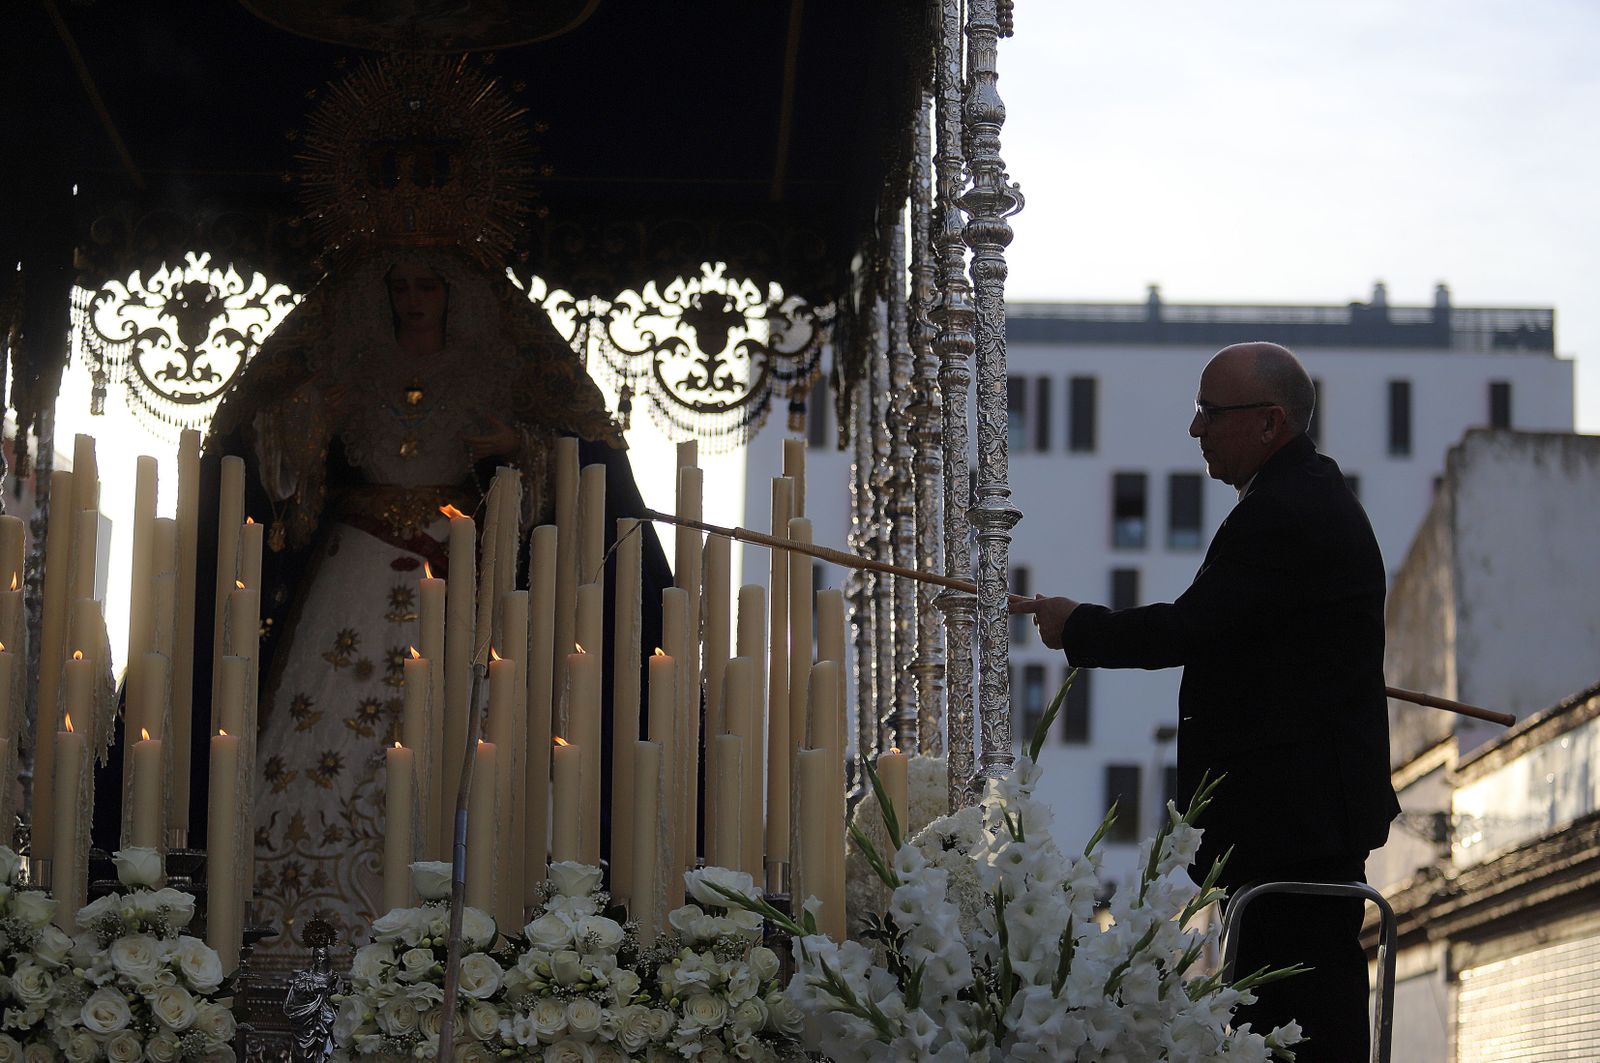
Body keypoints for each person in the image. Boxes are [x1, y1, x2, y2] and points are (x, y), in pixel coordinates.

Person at [191, 247, 669, 973]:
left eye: (427, 287)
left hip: (459, 564)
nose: (413, 300)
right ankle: (306, 916)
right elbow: (276, 461)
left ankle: (467, 923)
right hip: (351, 573)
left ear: (456, 296)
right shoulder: (351, 368)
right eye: (400, 286)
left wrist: (519, 446)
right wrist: (307, 415)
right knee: (323, 725)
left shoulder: (499, 369)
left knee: (469, 724)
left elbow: (574, 458)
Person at [1011, 341, 1400, 1060]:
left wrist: (1080, 626)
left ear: (1269, 422)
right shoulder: (1304, 498)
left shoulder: (1283, 512)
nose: (1196, 429)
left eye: (1210, 412)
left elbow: (1192, 627)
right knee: (1292, 1017)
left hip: (1293, 826)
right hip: (1297, 823)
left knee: (1292, 1028)